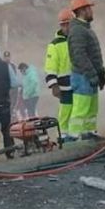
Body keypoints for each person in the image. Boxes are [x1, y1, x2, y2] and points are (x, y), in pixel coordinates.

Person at [67, 0, 105, 140]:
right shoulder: (78, 30)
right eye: (89, 8)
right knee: (81, 109)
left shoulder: (85, 29)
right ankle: (74, 137)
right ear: (82, 11)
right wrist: (92, 75)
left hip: (89, 76)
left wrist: (101, 74)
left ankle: (89, 133)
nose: (91, 11)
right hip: (83, 76)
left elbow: (94, 55)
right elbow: (79, 56)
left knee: (91, 108)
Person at [45, 9, 74, 141]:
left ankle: (76, 133)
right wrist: (53, 85)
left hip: (78, 83)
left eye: (69, 24)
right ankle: (63, 134)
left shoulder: (76, 40)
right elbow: (50, 66)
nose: (66, 27)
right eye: (64, 24)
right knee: (66, 110)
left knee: (78, 111)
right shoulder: (55, 45)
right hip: (64, 85)